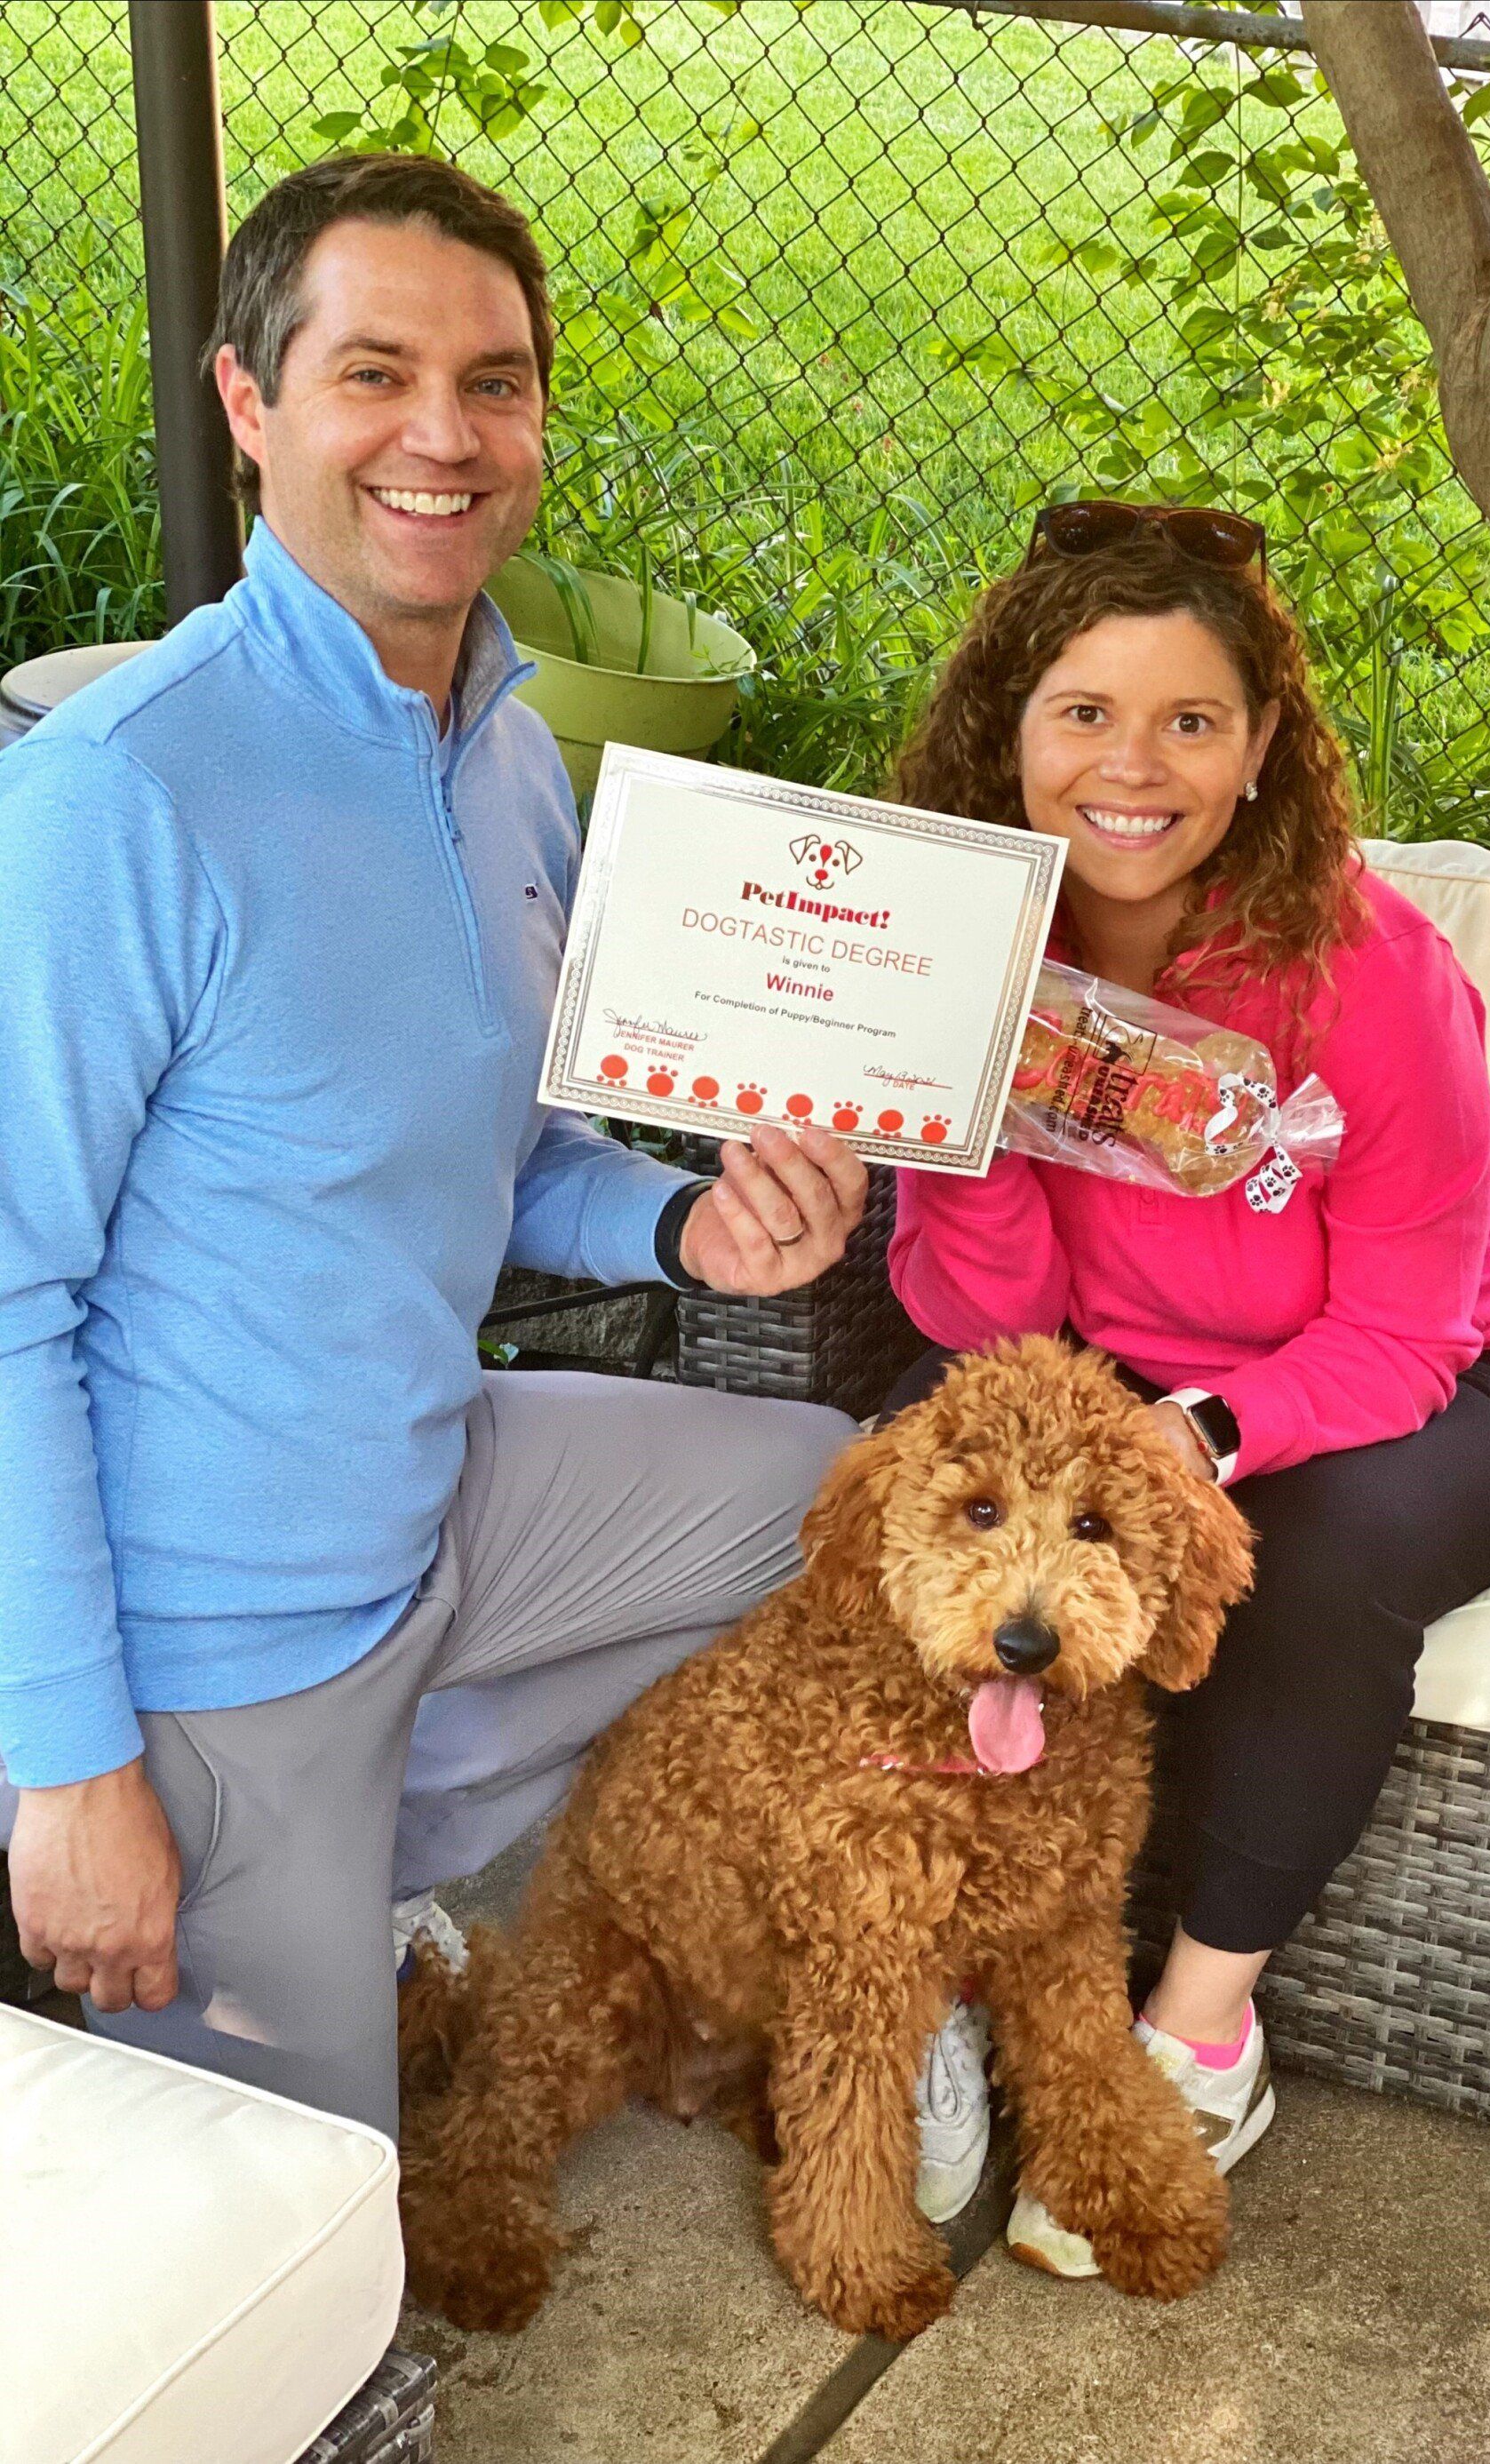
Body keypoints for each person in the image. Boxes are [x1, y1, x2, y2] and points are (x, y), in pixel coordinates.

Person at [0, 154, 865, 2141]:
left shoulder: (503, 745)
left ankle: (385, 1849)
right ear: (249, 404)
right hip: (213, 1643)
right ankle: (285, 1858)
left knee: (833, 1510)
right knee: (305, 2281)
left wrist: (682, 1229)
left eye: (495, 382)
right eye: (373, 371)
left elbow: (513, 1148)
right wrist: (74, 1771)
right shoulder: (113, 804)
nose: (441, 435)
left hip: (431, 1483)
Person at [884, 499, 1490, 2271]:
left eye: (1191, 721)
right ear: (1011, 727)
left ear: (1262, 747)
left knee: (1289, 1546)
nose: (1132, 768)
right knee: (916, 1528)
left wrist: (1188, 1439)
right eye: (1083, 713)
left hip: (1452, 1388)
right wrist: (970, 1108)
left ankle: (1202, 2032)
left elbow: (1408, 1324)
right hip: (1110, 1378)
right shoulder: (965, 940)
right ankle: (945, 1982)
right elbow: (988, 1313)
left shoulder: (1364, 972)